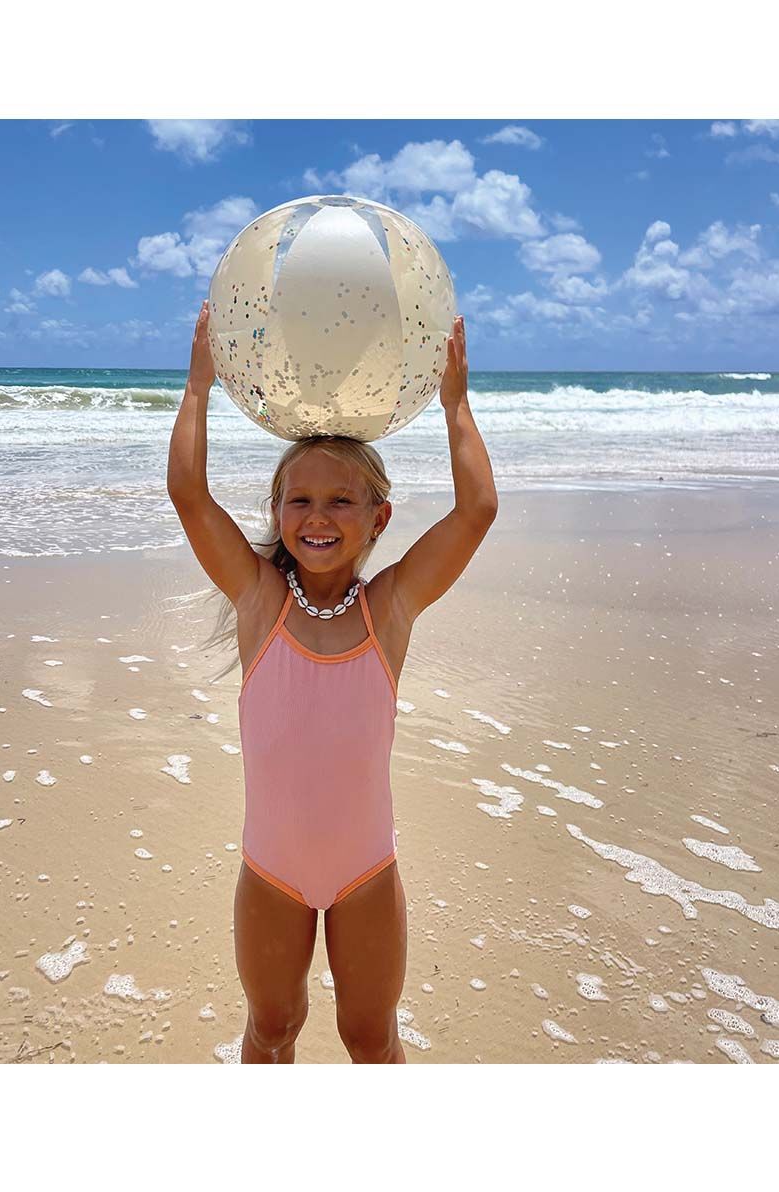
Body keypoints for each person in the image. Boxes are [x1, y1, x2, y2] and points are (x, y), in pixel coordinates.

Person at [167, 298, 498, 1062]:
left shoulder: (392, 609)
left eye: (341, 501)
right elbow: (189, 496)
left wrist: (457, 406)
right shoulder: (259, 603)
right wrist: (196, 388)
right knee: (272, 1029)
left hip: (365, 875)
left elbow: (477, 510)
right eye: (300, 501)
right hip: (272, 873)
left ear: (378, 520)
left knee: (369, 1038)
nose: (319, 518)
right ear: (279, 512)